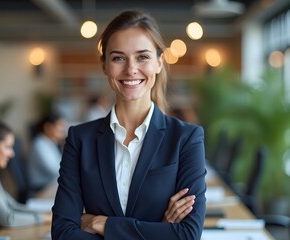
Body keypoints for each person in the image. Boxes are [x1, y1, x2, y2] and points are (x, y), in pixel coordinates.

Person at [52, 10, 207, 239]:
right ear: (104, 65)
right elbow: (63, 233)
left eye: (142, 57)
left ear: (158, 63)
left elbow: (187, 234)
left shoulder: (186, 138)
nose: (131, 69)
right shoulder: (80, 139)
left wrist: (104, 226)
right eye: (118, 58)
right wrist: (159, 230)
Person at [27, 112, 67, 191]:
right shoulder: (40, 144)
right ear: (48, 127)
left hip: (50, 184)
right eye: (60, 127)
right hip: (41, 188)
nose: (63, 131)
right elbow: (55, 170)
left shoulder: (50, 142)